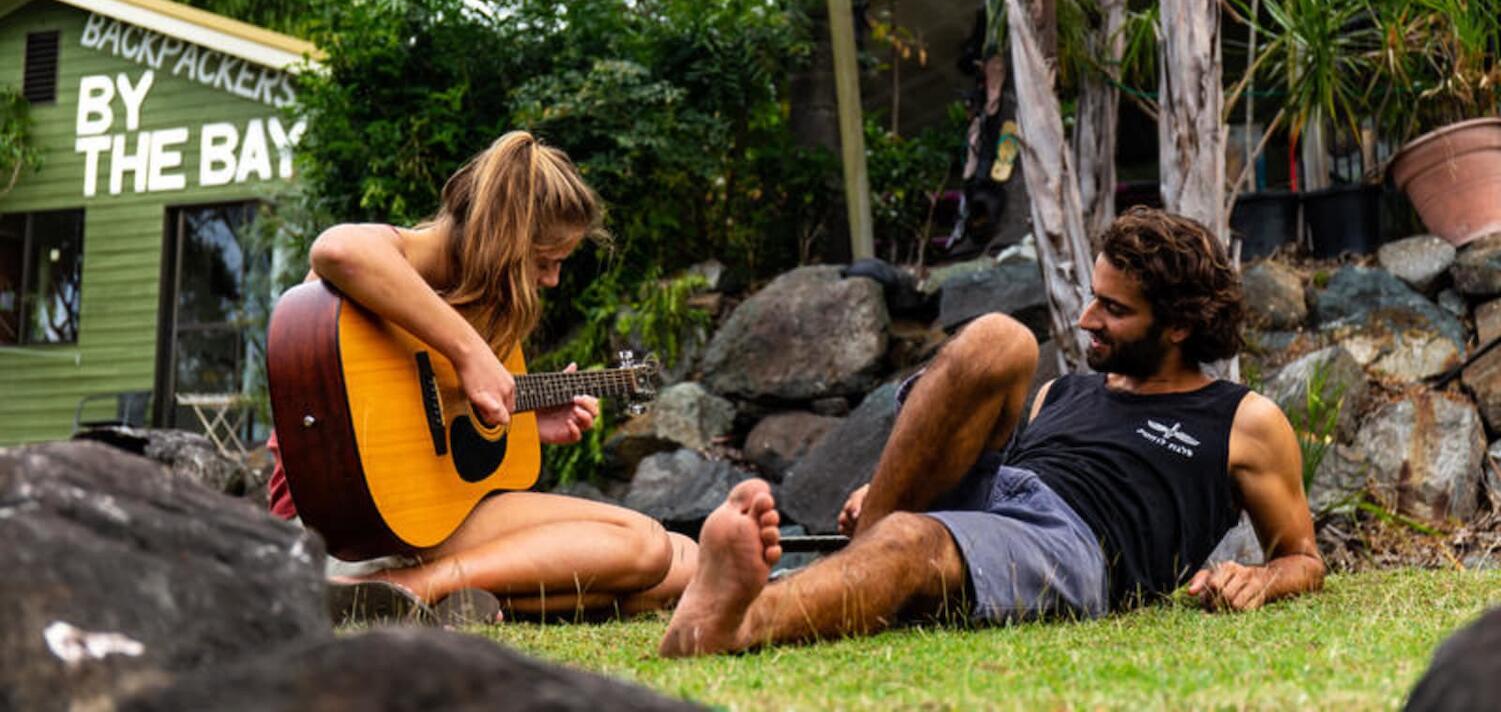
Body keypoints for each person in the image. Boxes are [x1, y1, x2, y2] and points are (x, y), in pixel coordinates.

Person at [660, 206, 1324, 656]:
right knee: (1001, 340)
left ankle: (742, 622)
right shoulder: (1063, 391)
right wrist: (890, 484)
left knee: (909, 542)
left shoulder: (1241, 419)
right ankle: (863, 540)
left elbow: (1301, 556)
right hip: (997, 496)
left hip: (1074, 541)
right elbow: (974, 464)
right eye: (1092, 296)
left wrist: (1261, 581)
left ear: (1178, 325)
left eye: (1114, 309)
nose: (1087, 318)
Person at [265, 131, 696, 622]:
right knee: (644, 547)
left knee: (686, 560)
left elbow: (437, 441)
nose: (551, 280)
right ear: (505, 239)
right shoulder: (387, 262)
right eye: (544, 261)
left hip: (424, 521)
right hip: (352, 530)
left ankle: (448, 598)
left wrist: (527, 424)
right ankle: (399, 588)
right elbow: (336, 249)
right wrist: (471, 355)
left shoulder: (482, 312)